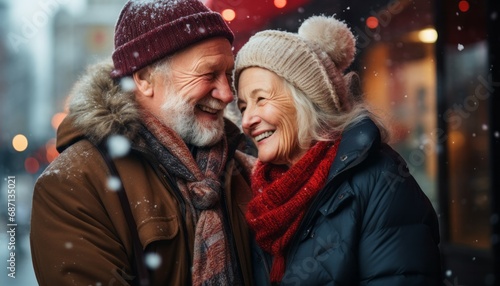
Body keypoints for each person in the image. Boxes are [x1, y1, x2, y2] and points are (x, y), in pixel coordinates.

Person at [30, 1, 257, 285]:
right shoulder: (71, 184)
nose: (226, 94)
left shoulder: (243, 166)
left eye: (228, 75)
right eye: (209, 74)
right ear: (145, 79)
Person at [233, 15, 442, 285]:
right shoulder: (261, 196)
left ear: (306, 100)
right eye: (242, 107)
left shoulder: (381, 182)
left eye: (260, 99)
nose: (247, 120)